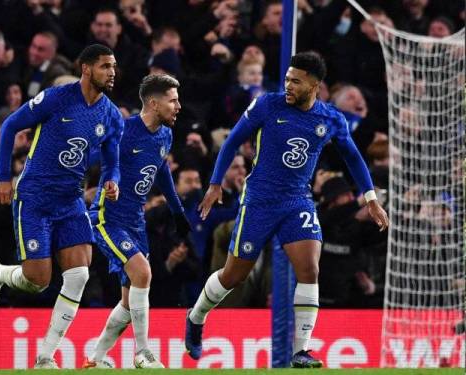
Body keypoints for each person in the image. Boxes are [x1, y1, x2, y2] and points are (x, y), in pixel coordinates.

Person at [184, 52, 389, 368]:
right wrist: (214, 184)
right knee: (233, 275)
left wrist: (372, 199)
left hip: (297, 202)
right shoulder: (268, 105)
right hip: (259, 201)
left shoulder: (331, 119)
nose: (288, 85)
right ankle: (196, 316)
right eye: (287, 79)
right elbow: (232, 141)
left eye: (296, 80)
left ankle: (301, 350)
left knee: (310, 268)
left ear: (314, 84)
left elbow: (353, 157)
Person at [0, 44, 124, 370]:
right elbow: (10, 126)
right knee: (38, 280)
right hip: (35, 199)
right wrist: (3, 177)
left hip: (70, 201)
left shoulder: (111, 115)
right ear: (86, 69)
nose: (111, 72)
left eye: (113, 66)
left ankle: (45, 356)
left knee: (79, 275)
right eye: (105, 66)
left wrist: (112, 180)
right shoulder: (57, 98)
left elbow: (113, 161)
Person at [83, 74, 190, 369]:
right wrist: (109, 180)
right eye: (173, 100)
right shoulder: (123, 132)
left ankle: (95, 358)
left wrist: (178, 210)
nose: (178, 106)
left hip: (135, 221)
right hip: (107, 217)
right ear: (154, 103)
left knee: (130, 302)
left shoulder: (165, 135)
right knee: (143, 273)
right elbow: (95, 157)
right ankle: (143, 353)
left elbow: (161, 170)